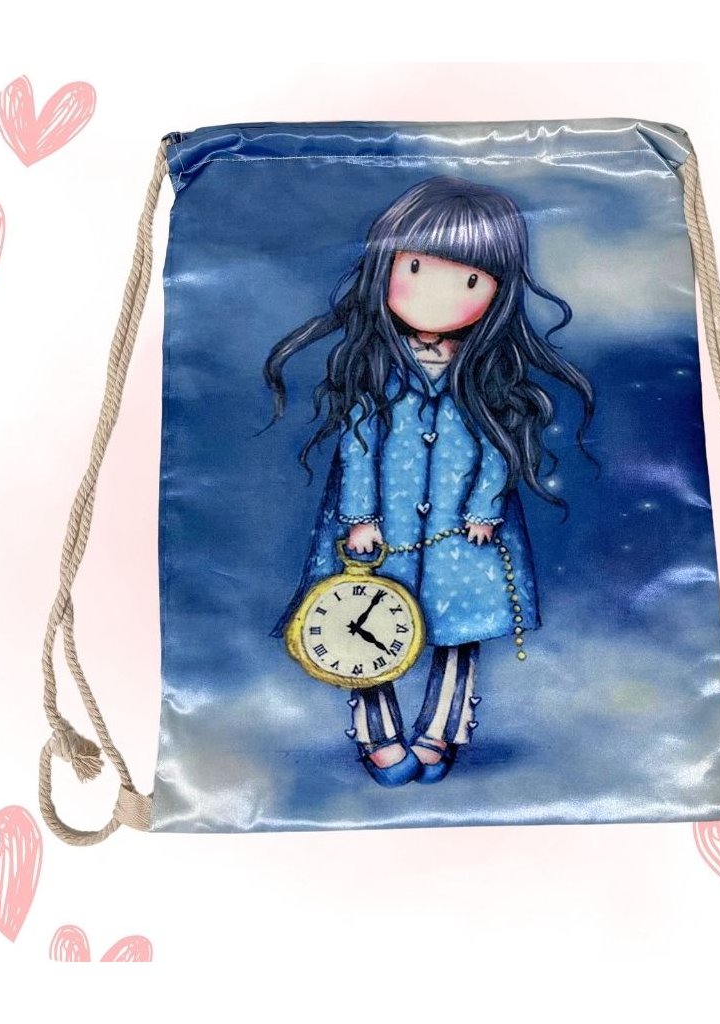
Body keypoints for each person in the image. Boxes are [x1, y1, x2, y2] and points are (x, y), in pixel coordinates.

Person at [263, 175, 596, 786]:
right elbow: (358, 447)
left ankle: (441, 731)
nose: (437, 296)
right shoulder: (377, 372)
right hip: (381, 532)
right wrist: (360, 519)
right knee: (359, 618)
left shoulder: (486, 376)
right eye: (416, 268)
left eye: (469, 281)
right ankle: (378, 735)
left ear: (497, 290)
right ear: (386, 267)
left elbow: (497, 448)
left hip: (461, 532)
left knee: (457, 632)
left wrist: (485, 508)